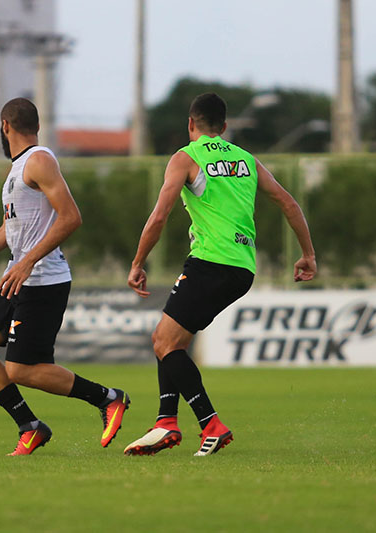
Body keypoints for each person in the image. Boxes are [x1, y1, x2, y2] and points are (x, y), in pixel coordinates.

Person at [0, 98, 130, 456]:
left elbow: (71, 217)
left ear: (5, 126)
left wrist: (28, 261)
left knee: (21, 369)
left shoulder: (39, 161)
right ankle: (30, 427)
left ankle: (109, 398)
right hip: (17, 277)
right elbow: (8, 231)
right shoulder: (19, 169)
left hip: (42, 281)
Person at [123, 93, 316, 456]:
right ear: (225, 127)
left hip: (209, 262)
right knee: (169, 341)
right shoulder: (247, 159)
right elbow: (289, 202)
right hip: (242, 269)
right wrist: (307, 254)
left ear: (191, 124)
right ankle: (166, 422)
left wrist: (137, 262)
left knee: (164, 343)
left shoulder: (186, 157)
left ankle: (210, 424)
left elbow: (160, 215)